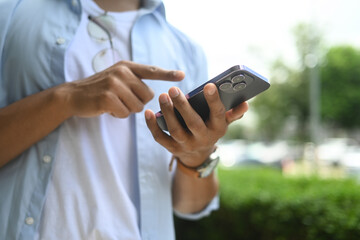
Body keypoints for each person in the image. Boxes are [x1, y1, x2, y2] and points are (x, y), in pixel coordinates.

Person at [0, 0, 248, 239]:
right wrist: (66, 98)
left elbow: (190, 205)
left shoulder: (186, 49)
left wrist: (196, 156)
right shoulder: (9, 14)